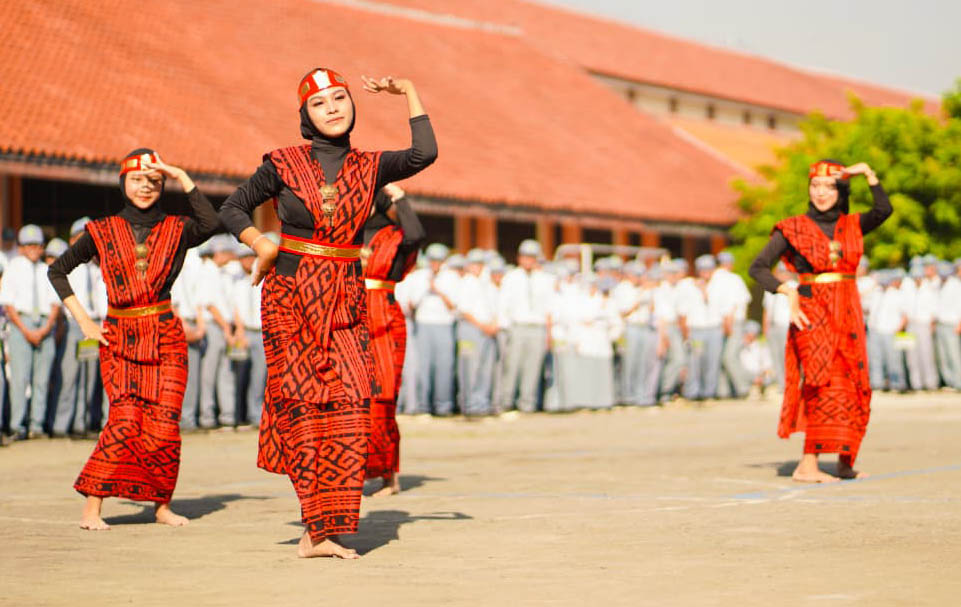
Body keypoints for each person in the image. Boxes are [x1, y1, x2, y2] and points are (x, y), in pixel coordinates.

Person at [218, 69, 437, 559]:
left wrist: (409, 93)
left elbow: (424, 154)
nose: (333, 107)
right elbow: (232, 208)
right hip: (289, 299)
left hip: (345, 298)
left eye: (340, 98)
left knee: (352, 404)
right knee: (303, 410)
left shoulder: (370, 165)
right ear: (305, 116)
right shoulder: (282, 163)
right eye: (320, 104)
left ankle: (322, 526)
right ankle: (317, 532)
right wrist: (261, 243)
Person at [48, 149, 219, 529]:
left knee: (165, 424)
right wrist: (85, 323)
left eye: (154, 181)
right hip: (119, 337)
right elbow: (57, 271)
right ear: (123, 182)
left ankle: (161, 505)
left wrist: (180, 174)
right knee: (124, 421)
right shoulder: (101, 230)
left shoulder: (178, 228)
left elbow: (211, 222)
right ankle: (92, 507)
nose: (146, 187)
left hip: (166, 336)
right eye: (138, 179)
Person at [749, 160, 891, 482]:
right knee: (819, 383)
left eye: (829, 187)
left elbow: (883, 209)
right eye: (815, 186)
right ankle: (807, 464)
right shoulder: (793, 228)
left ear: (840, 191)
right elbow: (757, 267)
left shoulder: (852, 225)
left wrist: (868, 174)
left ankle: (844, 461)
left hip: (849, 312)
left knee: (853, 385)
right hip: (812, 314)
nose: (821, 193)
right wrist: (786, 290)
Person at [361, 183, 425, 495]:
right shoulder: (347, 233)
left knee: (382, 399)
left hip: (385, 320)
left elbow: (416, 235)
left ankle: (388, 474)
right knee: (349, 399)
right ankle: (353, 469)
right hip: (349, 318)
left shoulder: (394, 236)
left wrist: (402, 199)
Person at [0, 225, 61, 440]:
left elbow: (56, 304)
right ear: (21, 247)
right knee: (20, 378)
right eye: (29, 245)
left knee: (41, 379)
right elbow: (8, 305)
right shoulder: (14, 268)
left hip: (45, 323)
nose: (34, 249)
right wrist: (26, 330)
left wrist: (45, 328)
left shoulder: (48, 270)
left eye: (38, 245)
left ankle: (37, 424)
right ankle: (18, 425)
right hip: (21, 323)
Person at [50, 219, 106, 436]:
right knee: (69, 375)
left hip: (93, 323)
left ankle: (81, 423)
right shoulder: (68, 264)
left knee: (89, 376)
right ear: (72, 240)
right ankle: (61, 425)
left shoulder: (95, 267)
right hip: (74, 323)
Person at [496, 240, 555, 412]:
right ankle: (506, 402)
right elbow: (504, 304)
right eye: (525, 257)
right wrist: (505, 328)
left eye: (531, 257)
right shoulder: (511, 277)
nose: (528, 260)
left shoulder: (545, 279)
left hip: (537, 327)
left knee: (533, 367)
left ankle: (527, 403)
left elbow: (549, 308)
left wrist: (549, 333)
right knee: (512, 365)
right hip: (517, 327)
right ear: (519, 258)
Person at [403, 243, 459, 415]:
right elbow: (412, 304)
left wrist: (437, 289)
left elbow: (453, 305)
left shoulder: (452, 277)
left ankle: (443, 406)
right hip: (424, 323)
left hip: (444, 324)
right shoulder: (419, 277)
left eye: (438, 261)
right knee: (423, 367)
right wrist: (427, 287)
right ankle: (423, 405)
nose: (435, 264)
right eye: (432, 260)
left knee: (444, 366)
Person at [455, 248, 499, 417]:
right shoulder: (466, 282)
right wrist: (483, 326)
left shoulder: (486, 283)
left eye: (480, 264)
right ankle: (469, 405)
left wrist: (493, 324)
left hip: (487, 330)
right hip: (470, 329)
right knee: (469, 367)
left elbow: (494, 307)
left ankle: (482, 403)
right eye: (474, 264)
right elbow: (465, 310)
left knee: (485, 368)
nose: (477, 267)